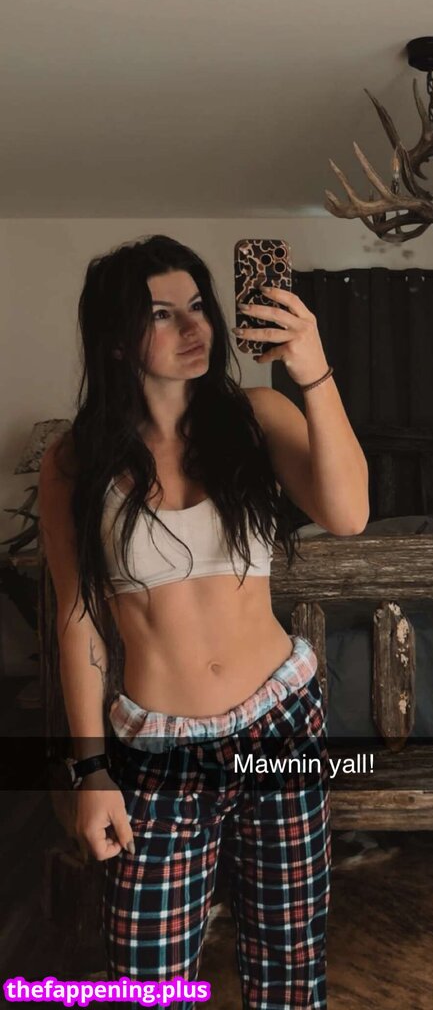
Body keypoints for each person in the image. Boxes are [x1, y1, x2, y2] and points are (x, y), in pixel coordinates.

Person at [39, 234, 369, 1010]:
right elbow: (78, 620)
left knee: (290, 957)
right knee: (146, 973)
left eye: (198, 306)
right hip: (158, 748)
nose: (195, 327)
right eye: (163, 313)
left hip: (279, 722)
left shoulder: (256, 416)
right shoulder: (76, 461)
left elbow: (349, 514)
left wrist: (313, 370)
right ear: (116, 340)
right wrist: (91, 771)